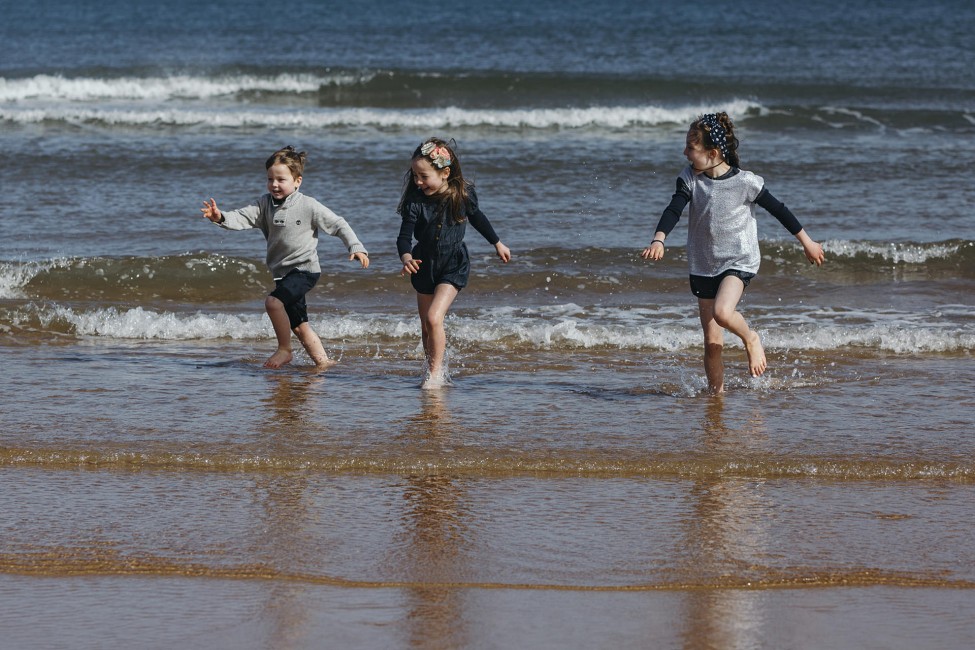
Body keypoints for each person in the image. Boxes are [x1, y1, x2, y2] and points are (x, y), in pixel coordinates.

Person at [641, 113, 825, 393]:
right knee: (712, 344)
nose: (684, 153)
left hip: (738, 260)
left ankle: (751, 339)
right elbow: (674, 209)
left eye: (691, 148)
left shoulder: (746, 183)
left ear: (712, 152)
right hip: (702, 265)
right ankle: (717, 397)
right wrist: (659, 240)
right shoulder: (690, 178)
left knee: (723, 312)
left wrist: (807, 242)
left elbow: (779, 210)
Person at [201, 146, 369, 370]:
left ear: (297, 181)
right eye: (270, 179)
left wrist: (356, 247)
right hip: (282, 274)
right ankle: (323, 363)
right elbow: (241, 217)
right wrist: (219, 217)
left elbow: (338, 224)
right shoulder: (264, 204)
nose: (274, 184)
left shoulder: (308, 205)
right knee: (299, 325)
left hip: (305, 270)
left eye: (281, 179)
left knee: (273, 302)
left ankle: (284, 349)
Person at [397, 138, 511, 388]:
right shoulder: (415, 201)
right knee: (426, 326)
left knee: (434, 318)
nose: (417, 181)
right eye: (415, 175)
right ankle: (431, 369)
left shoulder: (462, 195)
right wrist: (406, 257)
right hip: (423, 264)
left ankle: (435, 374)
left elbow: (478, 219)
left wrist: (497, 243)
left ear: (445, 172)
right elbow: (404, 236)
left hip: (453, 264)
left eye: (423, 176)